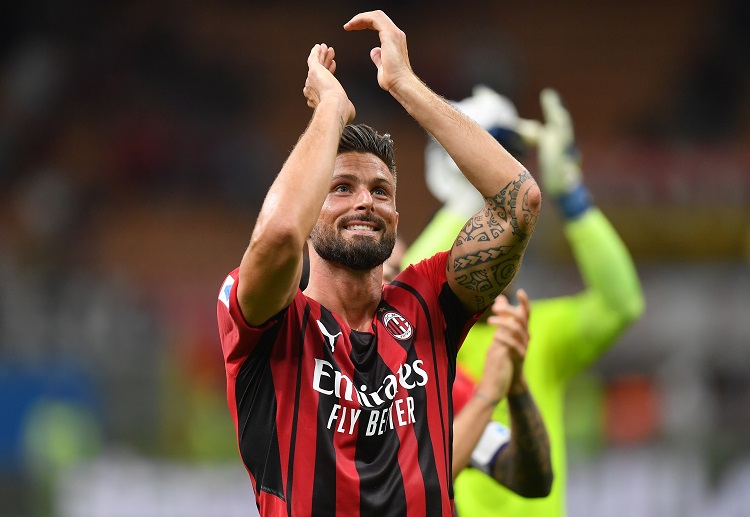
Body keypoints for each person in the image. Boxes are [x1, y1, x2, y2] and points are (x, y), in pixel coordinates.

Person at [216, 10, 542, 517]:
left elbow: (519, 202)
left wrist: (404, 84)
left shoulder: (426, 306)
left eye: (381, 191)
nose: (365, 201)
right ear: (310, 207)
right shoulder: (273, 325)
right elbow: (279, 235)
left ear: (396, 216)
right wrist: (330, 110)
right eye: (341, 188)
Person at [402, 85, 645, 516]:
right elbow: (406, 291)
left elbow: (621, 303)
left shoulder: (530, 331)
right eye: (484, 239)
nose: (493, 252)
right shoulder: (430, 339)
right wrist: (472, 190)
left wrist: (570, 197)